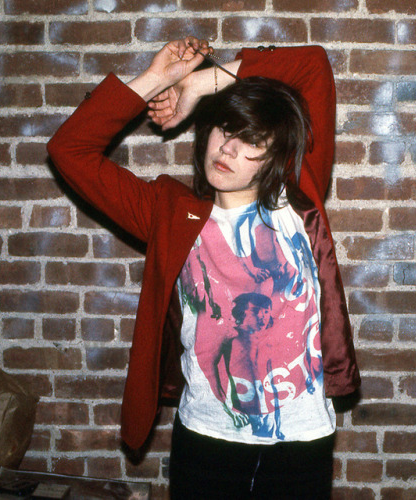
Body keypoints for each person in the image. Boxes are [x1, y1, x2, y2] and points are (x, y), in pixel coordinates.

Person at [48, 36, 360, 499]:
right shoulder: (170, 213)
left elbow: (311, 64)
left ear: (276, 157)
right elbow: (69, 149)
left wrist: (199, 85)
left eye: (251, 140)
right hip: (207, 438)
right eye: (224, 129)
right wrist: (158, 78)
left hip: (300, 438)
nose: (228, 148)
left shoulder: (298, 200)